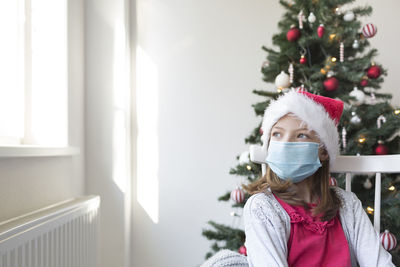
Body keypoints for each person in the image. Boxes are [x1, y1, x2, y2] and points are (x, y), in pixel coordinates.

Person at [242, 89, 395, 267]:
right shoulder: (262, 208)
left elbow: (378, 263)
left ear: (323, 151)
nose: (285, 144)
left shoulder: (348, 204)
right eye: (277, 134)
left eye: (301, 135)